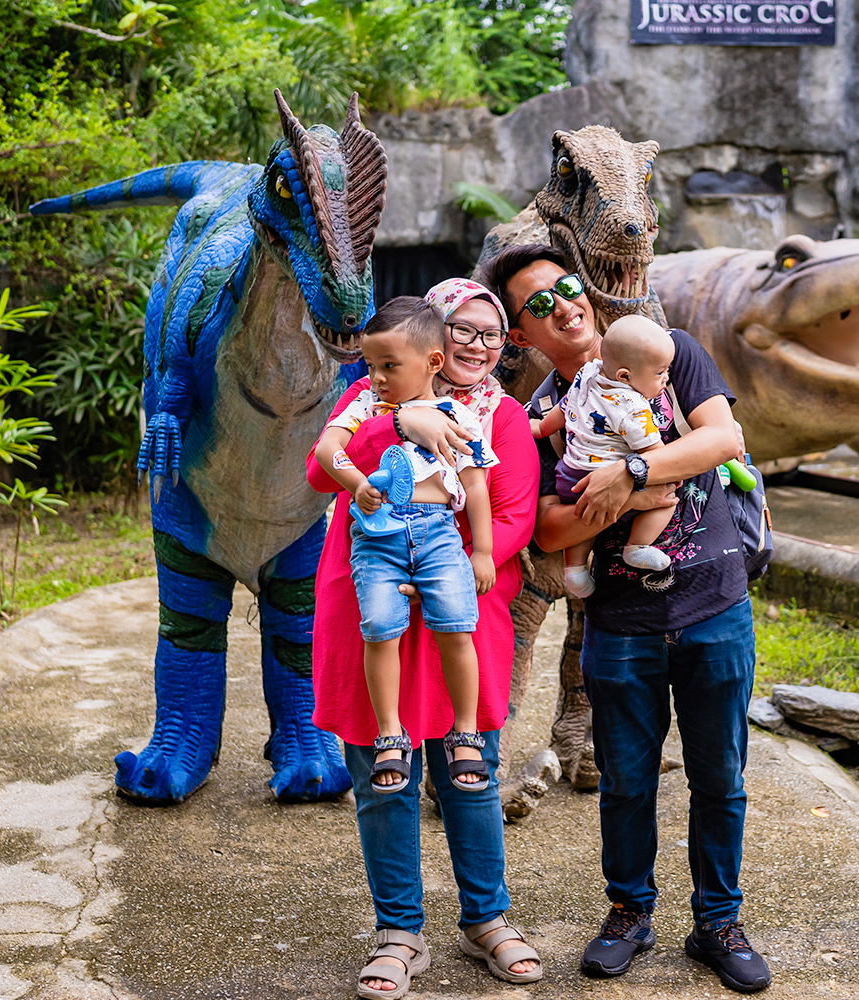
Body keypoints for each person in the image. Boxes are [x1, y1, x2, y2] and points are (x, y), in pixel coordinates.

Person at [484, 244, 772, 994]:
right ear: (521, 334)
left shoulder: (668, 351)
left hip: (714, 603)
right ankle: (628, 913)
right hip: (617, 619)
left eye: (566, 287)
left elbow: (723, 439)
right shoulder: (536, 415)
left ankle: (719, 921)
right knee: (624, 781)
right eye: (538, 304)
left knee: (721, 776)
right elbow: (543, 529)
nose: (563, 306)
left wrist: (631, 473)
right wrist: (614, 496)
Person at [307, 280, 543, 997]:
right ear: (431, 345)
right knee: (387, 781)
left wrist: (448, 571)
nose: (476, 345)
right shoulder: (368, 402)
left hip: (457, 609)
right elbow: (323, 469)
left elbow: (512, 516)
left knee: (469, 775)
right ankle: (399, 930)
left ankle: (487, 918)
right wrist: (401, 421)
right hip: (370, 607)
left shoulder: (498, 418)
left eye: (488, 332)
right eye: (461, 328)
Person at [314, 302, 497, 794]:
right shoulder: (365, 407)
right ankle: (389, 732)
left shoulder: (458, 415)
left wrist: (482, 550)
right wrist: (354, 482)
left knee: (458, 624)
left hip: (438, 531)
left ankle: (465, 731)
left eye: (388, 366)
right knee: (378, 628)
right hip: (377, 535)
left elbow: (476, 487)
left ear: (433, 363)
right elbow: (326, 450)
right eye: (370, 366)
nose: (376, 377)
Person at [533, 314, 678, 597]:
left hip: (571, 473)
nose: (666, 378)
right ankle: (637, 546)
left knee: (581, 515)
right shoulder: (631, 407)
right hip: (604, 474)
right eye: (660, 373)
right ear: (624, 376)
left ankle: (574, 567)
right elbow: (654, 456)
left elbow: (565, 407)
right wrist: (676, 471)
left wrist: (540, 427)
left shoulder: (587, 374)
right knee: (666, 496)